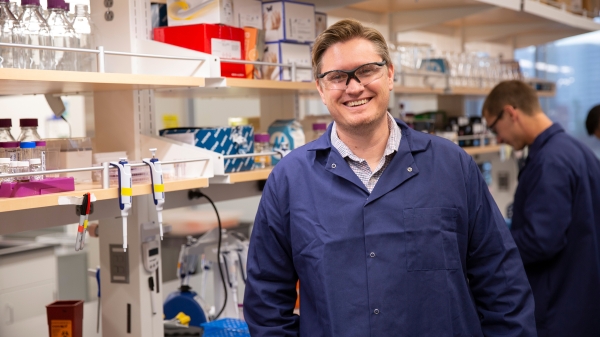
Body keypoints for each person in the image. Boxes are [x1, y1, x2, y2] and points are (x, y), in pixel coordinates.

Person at [244, 19, 536, 337]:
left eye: (367, 70)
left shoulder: (452, 166)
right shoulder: (289, 180)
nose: (354, 87)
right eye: (337, 77)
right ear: (320, 88)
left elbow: (502, 284)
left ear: (390, 74)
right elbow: (266, 305)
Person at [482, 80, 600, 337]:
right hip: (584, 305)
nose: (499, 138)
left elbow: (541, 241)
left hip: (560, 309)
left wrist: (491, 247)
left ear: (511, 113)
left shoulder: (550, 161)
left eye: (494, 128)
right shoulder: (577, 150)